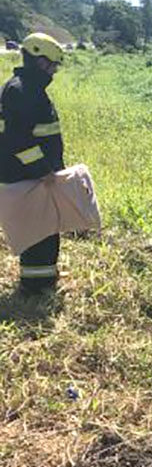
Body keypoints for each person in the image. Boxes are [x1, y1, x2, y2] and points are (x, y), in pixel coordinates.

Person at [0, 33, 66, 295]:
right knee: (41, 233)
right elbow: (17, 140)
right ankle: (37, 288)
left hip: (30, 174)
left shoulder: (25, 87)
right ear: (40, 61)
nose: (54, 71)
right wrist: (43, 170)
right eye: (53, 65)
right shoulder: (23, 91)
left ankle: (40, 280)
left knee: (42, 230)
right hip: (29, 175)